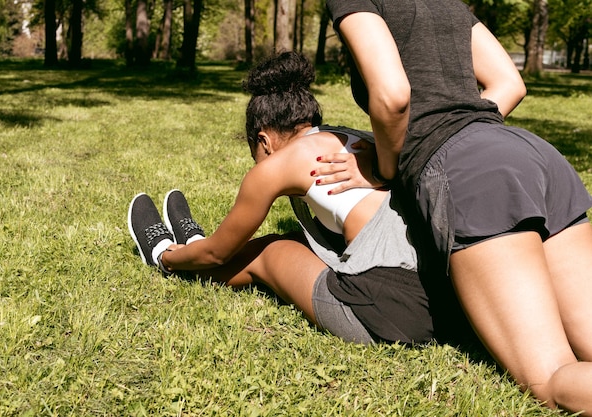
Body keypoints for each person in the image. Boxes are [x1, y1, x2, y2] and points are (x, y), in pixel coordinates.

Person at [316, 0, 592, 414]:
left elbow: (391, 95)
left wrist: (387, 168)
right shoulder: (447, 2)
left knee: (552, 379)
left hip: (472, 174)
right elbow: (509, 83)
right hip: (531, 154)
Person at [127, 51, 447, 346]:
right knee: (300, 240)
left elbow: (217, 254)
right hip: (440, 298)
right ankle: (191, 244)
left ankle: (165, 255)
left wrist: (172, 256)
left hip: (390, 311)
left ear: (263, 140)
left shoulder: (280, 163)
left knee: (272, 252)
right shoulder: (353, 138)